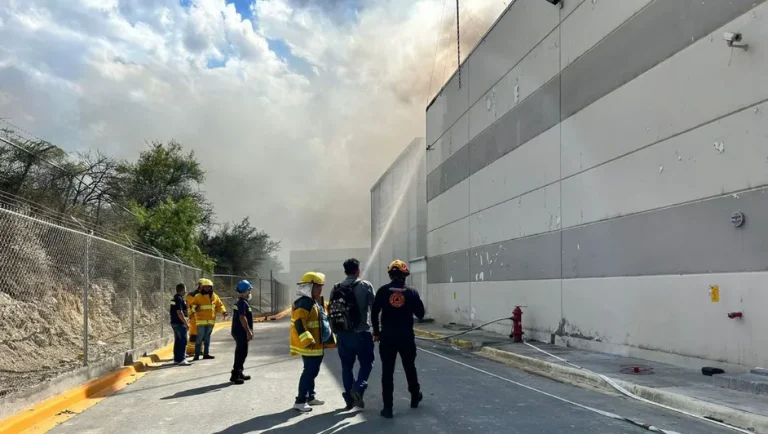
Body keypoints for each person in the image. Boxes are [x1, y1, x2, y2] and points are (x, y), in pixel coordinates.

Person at [372, 260, 425, 419]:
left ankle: (388, 408)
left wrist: (376, 332)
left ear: (390, 274)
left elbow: (374, 313)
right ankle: (415, 397)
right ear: (405, 275)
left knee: (387, 372)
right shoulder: (412, 292)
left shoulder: (382, 291)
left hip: (387, 337)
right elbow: (421, 314)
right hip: (406, 337)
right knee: (410, 367)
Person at [329, 258, 375, 409]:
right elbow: (374, 308)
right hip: (361, 333)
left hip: (343, 334)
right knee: (366, 363)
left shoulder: (336, 288)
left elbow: (331, 311)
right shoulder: (365, 286)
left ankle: (349, 396)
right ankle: (359, 388)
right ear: (358, 270)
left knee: (346, 366)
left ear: (345, 271)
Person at [290, 271, 337, 412]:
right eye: (317, 286)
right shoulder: (304, 303)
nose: (320, 289)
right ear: (309, 287)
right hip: (310, 346)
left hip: (317, 345)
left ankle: (310, 397)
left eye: (321, 286)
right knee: (309, 372)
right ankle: (300, 401)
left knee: (312, 371)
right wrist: (308, 341)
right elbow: (299, 323)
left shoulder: (314, 302)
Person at [189, 278, 227, 361]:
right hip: (201, 321)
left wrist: (224, 312)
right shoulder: (198, 296)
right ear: (203, 287)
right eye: (205, 287)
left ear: (211, 288)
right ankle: (197, 355)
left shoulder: (215, 296)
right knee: (200, 338)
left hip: (211, 321)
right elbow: (192, 306)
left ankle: (206, 354)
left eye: (209, 287)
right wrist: (196, 308)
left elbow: (219, 305)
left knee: (207, 338)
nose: (207, 289)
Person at [230, 280, 254, 385]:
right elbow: (242, 318)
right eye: (249, 290)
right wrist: (248, 331)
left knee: (242, 352)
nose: (249, 293)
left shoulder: (240, 302)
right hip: (241, 331)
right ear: (244, 291)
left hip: (238, 331)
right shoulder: (242, 303)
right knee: (241, 353)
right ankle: (236, 374)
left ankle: (239, 372)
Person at [170, 283, 191, 366]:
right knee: (183, 341)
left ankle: (177, 358)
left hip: (174, 322)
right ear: (182, 290)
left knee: (178, 341)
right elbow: (179, 312)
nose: (185, 291)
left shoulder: (174, 298)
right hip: (179, 323)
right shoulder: (179, 299)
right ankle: (182, 359)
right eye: (185, 290)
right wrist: (185, 323)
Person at [185, 282, 202, 356]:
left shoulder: (205, 295)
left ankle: (200, 350)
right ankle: (190, 350)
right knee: (193, 335)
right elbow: (190, 306)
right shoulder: (191, 295)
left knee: (201, 335)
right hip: (194, 318)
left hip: (202, 318)